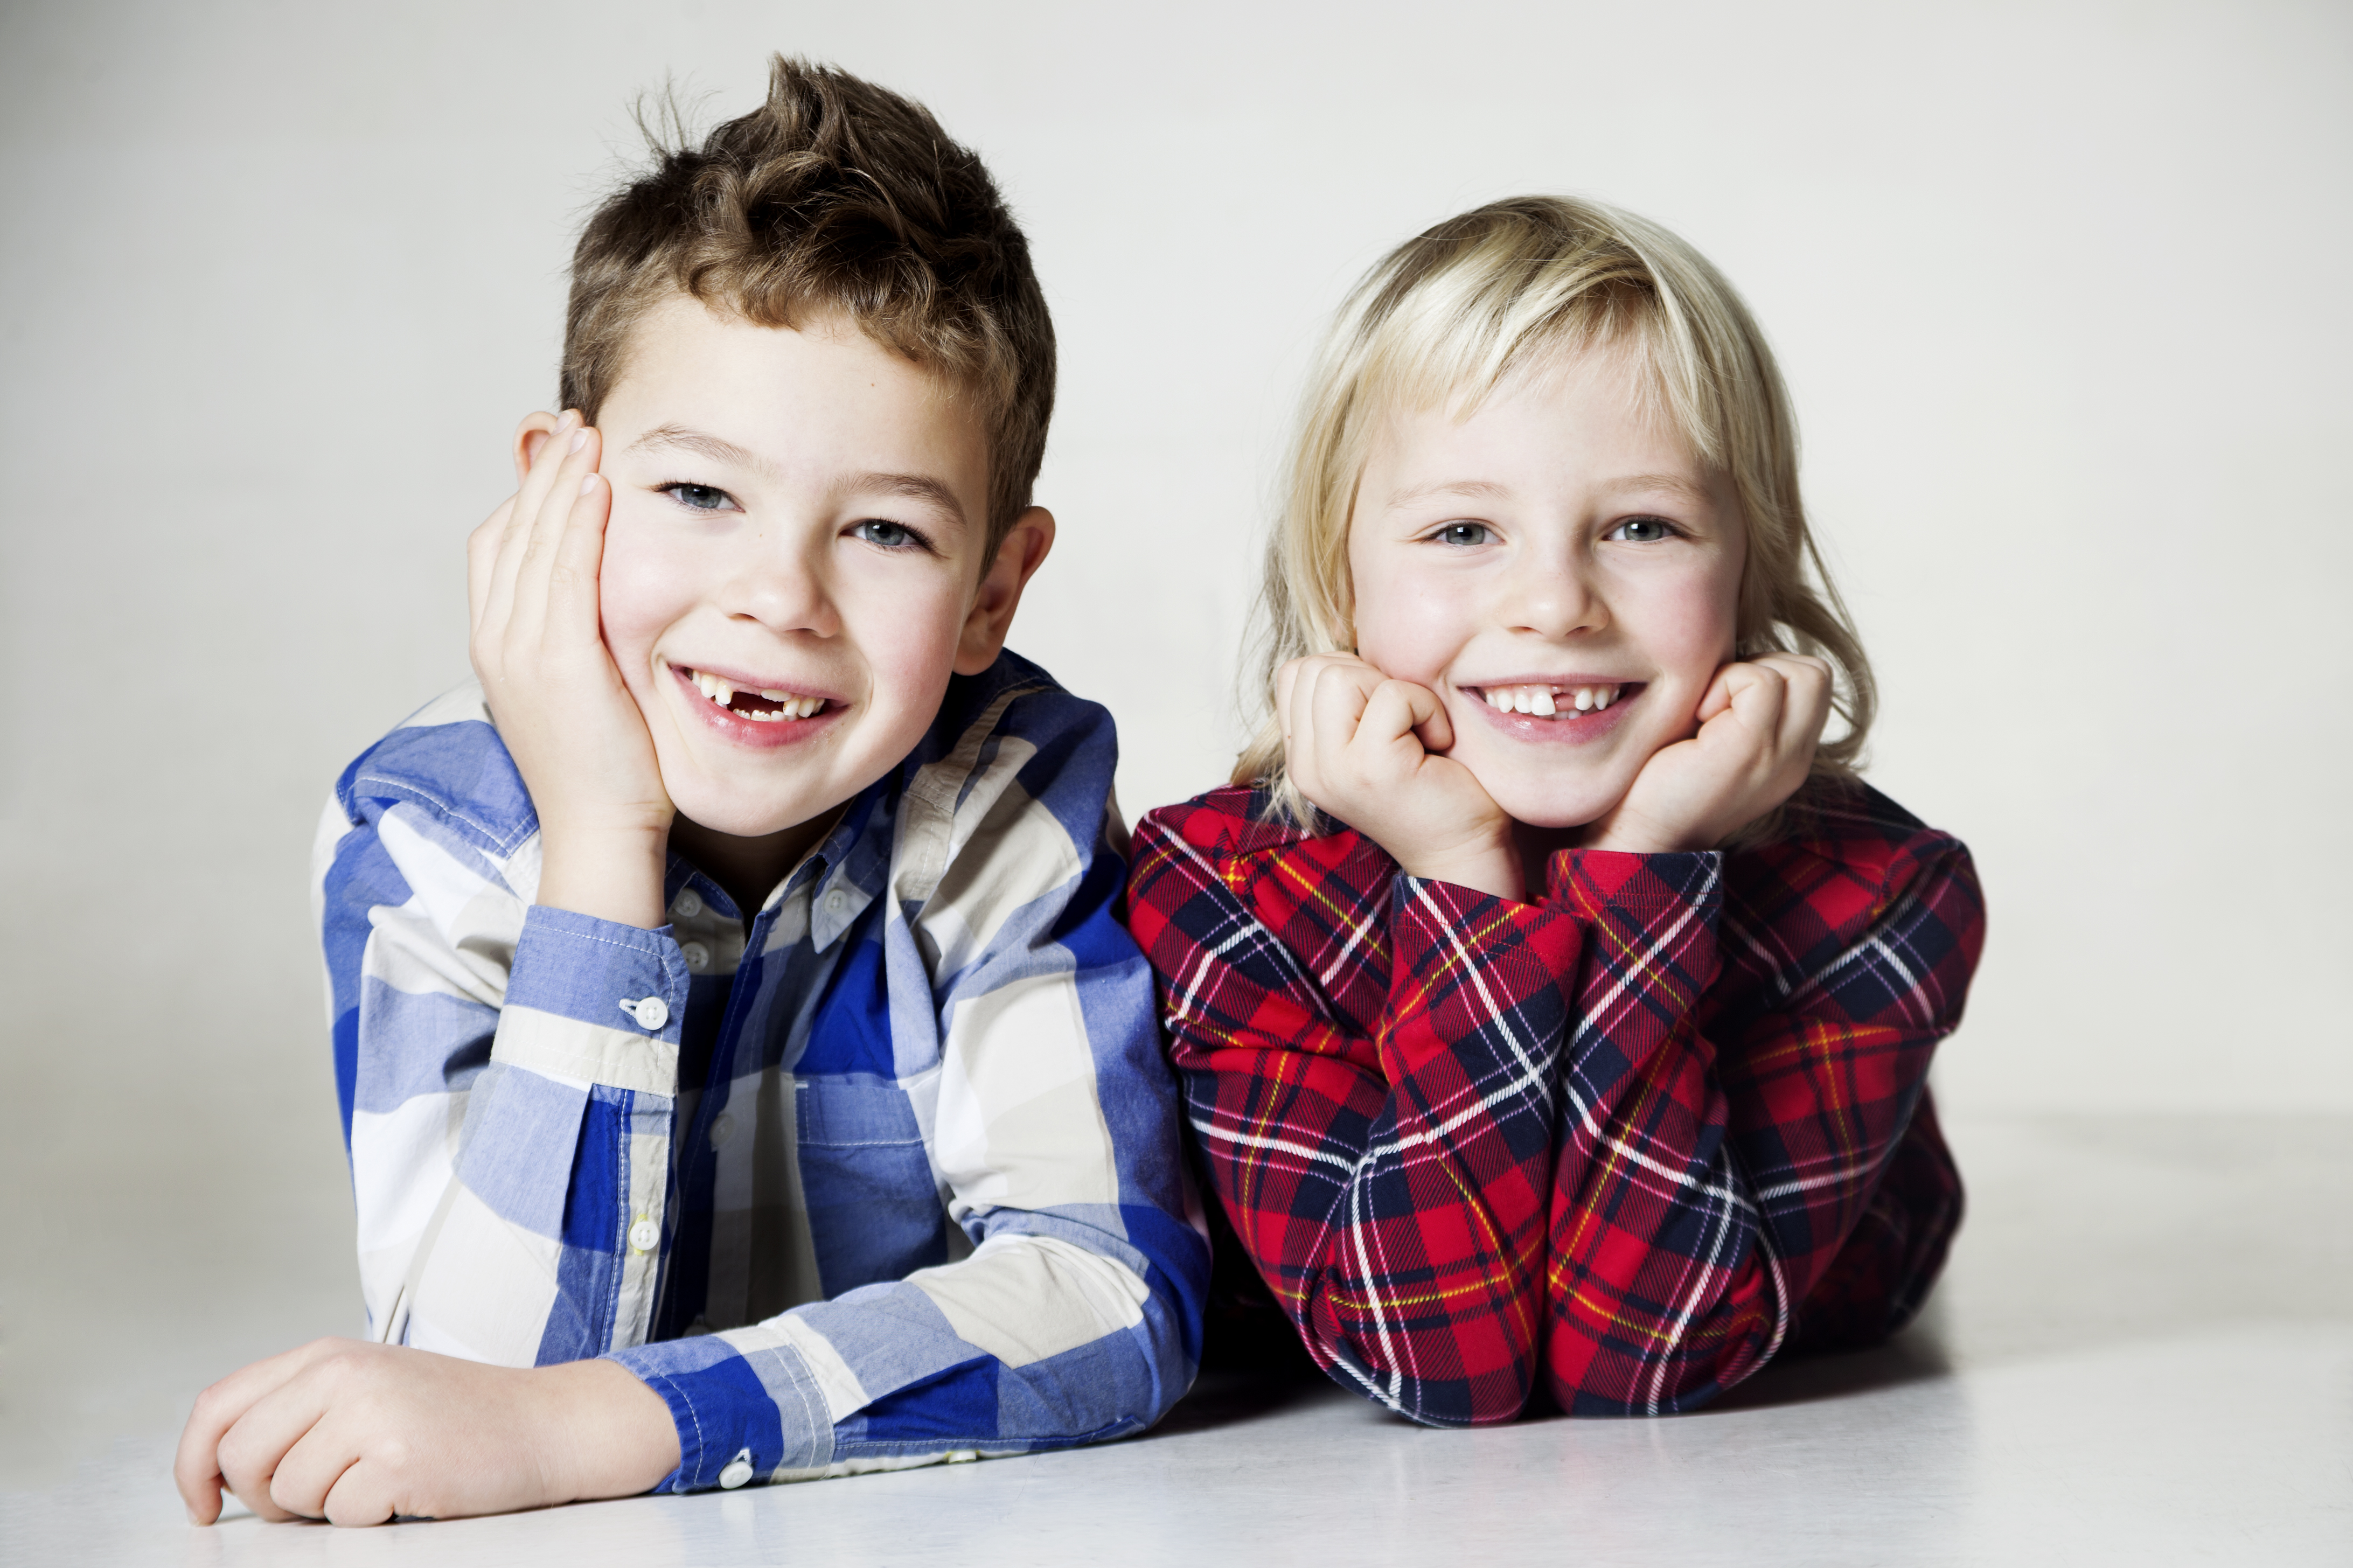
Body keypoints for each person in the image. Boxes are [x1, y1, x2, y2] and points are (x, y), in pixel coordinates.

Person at [175, 57, 1207, 1527]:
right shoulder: (431, 836)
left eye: (887, 533)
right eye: (700, 495)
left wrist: (607, 1425)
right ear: (559, 495)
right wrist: (602, 843)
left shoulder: (1000, 794)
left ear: (994, 593)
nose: (779, 597)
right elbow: (477, 1389)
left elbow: (1110, 1294)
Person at [1125, 197, 1985, 1426]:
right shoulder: (1224, 894)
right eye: (1464, 529)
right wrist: (1461, 871)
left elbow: (1645, 1358)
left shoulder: (1877, 896)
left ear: (1752, 563)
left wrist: (1649, 862)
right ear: (1339, 574)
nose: (1555, 603)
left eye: (1643, 525)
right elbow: (1437, 1360)